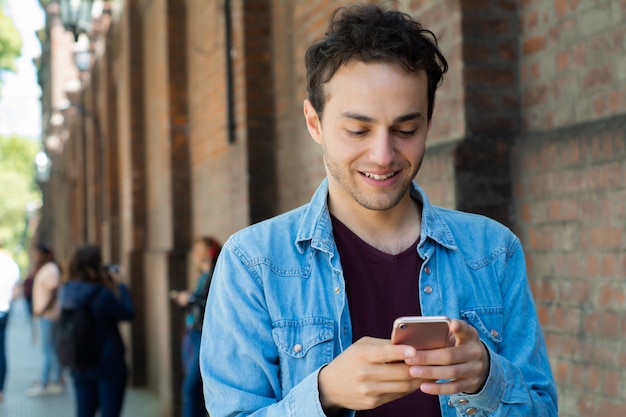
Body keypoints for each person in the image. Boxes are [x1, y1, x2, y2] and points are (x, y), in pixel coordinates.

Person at [200, 4, 558, 417]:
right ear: (314, 123)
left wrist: (487, 379)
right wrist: (325, 393)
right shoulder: (254, 262)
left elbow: (542, 409)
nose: (384, 155)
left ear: (428, 121)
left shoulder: (494, 250)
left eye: (407, 130)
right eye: (358, 130)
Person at [57, 245, 134, 417]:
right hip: (108, 362)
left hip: (79, 360)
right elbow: (127, 313)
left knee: (84, 412)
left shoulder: (66, 291)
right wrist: (121, 285)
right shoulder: (102, 294)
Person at [170, 236, 222, 417]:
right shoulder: (203, 275)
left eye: (198, 249)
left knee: (190, 390)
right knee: (194, 389)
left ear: (209, 251)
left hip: (205, 336)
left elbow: (212, 303)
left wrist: (191, 298)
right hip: (193, 333)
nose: (194, 254)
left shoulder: (217, 274)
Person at [28, 243, 64, 397]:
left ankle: (53, 380)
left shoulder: (50, 269)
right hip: (46, 315)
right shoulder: (47, 268)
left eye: (39, 254)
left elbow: (54, 291)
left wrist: (43, 310)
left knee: (49, 349)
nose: (37, 257)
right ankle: (49, 380)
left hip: (48, 315)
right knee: (49, 349)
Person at [0, 240, 20, 402]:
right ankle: (0, 390)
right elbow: (16, 291)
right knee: (1, 350)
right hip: (4, 310)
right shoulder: (9, 263)